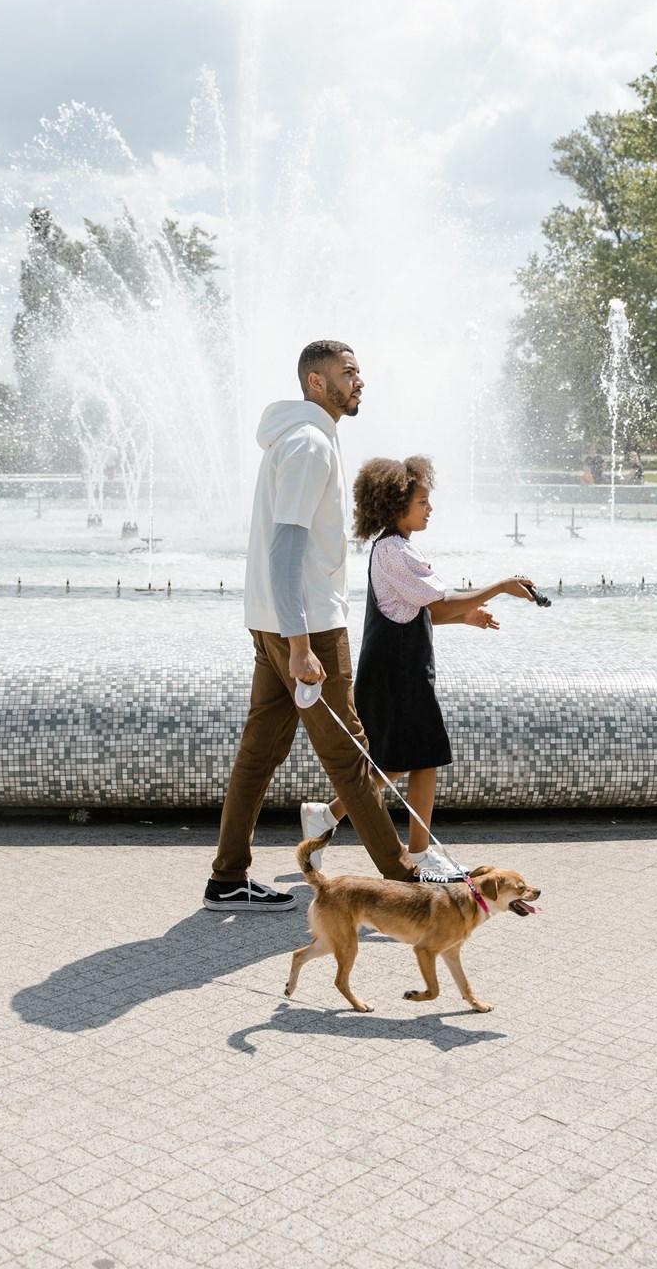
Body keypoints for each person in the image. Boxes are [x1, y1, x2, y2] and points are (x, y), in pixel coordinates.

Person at [204, 342, 456, 913]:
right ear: (317, 383)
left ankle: (227, 878)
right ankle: (408, 889)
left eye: (359, 372)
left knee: (258, 754)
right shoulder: (310, 444)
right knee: (352, 759)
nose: (358, 382)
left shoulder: (302, 439)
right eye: (347, 374)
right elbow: (286, 550)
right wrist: (300, 647)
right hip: (307, 630)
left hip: (276, 623)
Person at [300, 455, 544, 874]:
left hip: (395, 669)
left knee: (397, 760)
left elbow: (421, 608)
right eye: (422, 502)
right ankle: (417, 854)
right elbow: (440, 601)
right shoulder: (395, 551)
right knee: (424, 756)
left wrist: (466, 616)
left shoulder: (393, 547)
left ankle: (327, 816)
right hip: (399, 674)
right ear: (397, 506)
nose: (430, 509)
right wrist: (501, 586)